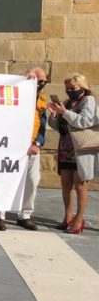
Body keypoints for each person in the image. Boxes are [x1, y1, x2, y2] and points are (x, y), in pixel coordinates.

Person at [0, 68, 47, 231]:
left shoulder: (42, 100)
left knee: (32, 180)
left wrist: (37, 143)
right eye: (37, 80)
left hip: (31, 146)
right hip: (10, 146)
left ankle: (25, 214)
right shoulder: (14, 92)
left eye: (44, 81)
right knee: (3, 179)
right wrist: (21, 80)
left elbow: (43, 124)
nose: (41, 84)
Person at [47, 73, 99, 234]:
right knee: (66, 184)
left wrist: (65, 112)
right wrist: (54, 114)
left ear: (82, 87)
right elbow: (58, 126)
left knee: (80, 185)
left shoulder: (88, 100)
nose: (69, 90)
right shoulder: (67, 103)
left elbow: (85, 121)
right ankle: (68, 216)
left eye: (73, 87)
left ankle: (79, 219)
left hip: (81, 149)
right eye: (67, 88)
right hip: (65, 148)